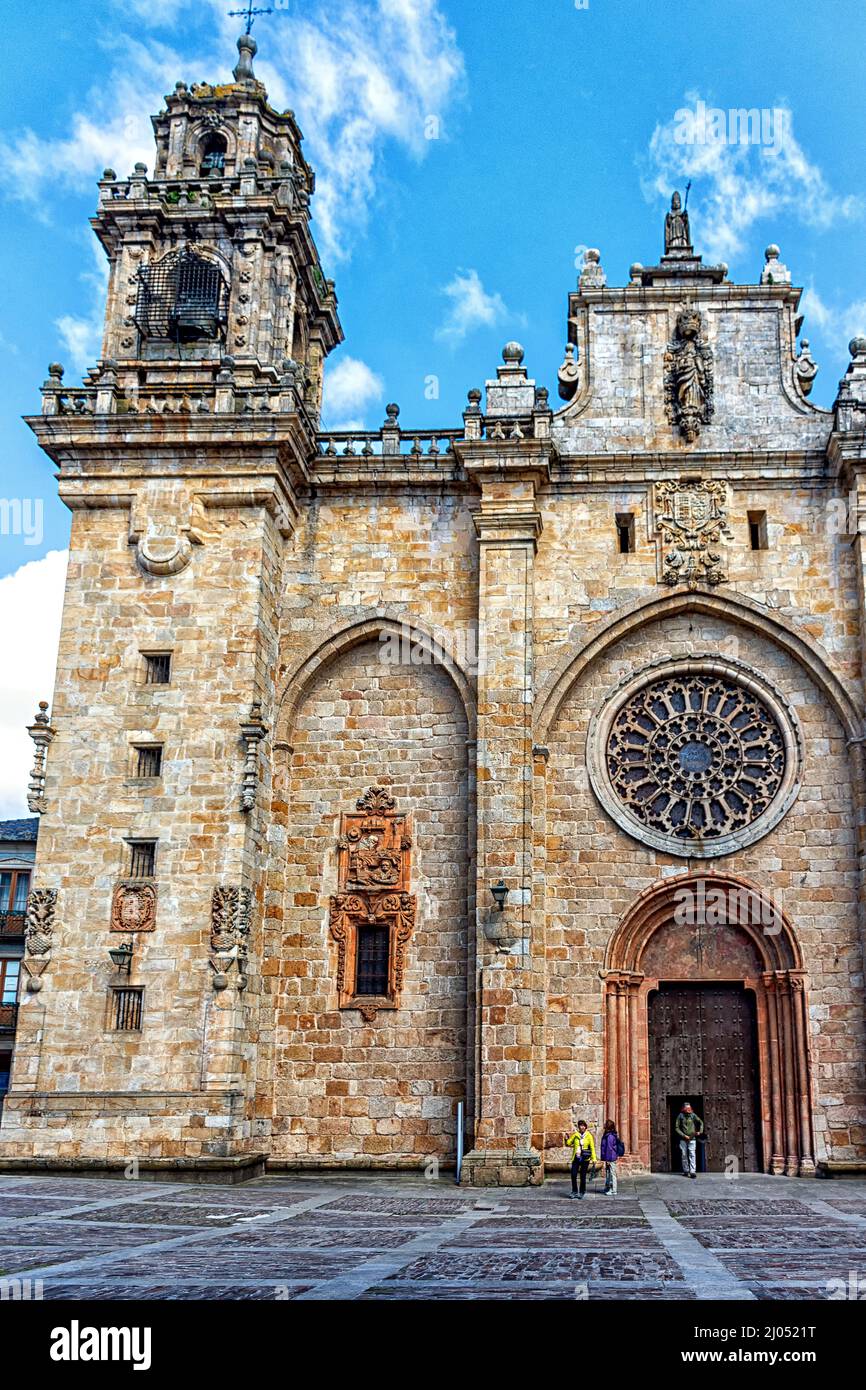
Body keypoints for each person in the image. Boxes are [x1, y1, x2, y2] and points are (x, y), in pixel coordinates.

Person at [565, 1119, 596, 1199]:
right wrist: (566, 1138)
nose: (581, 1127)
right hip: (576, 1157)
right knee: (573, 1174)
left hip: (585, 1158)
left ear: (585, 1127)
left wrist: (594, 1159)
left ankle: (582, 1191)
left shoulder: (589, 1136)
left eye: (583, 1126)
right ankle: (574, 1191)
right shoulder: (576, 1135)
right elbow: (568, 1143)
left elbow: (592, 1148)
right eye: (580, 1126)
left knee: (583, 1176)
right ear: (579, 1127)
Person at [675, 1102, 704, 1178]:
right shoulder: (680, 1116)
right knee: (684, 1155)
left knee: (692, 1154)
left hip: (692, 1138)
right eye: (687, 1108)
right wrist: (684, 1135)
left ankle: (692, 1171)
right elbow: (676, 1128)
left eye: (690, 1108)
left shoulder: (693, 1115)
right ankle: (686, 1170)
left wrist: (700, 1131)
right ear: (684, 1109)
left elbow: (701, 1122)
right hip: (683, 1139)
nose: (689, 1109)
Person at [600, 1118, 622, 1196]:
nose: (604, 1125)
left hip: (611, 1157)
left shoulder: (609, 1136)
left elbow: (609, 1148)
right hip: (610, 1157)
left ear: (608, 1126)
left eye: (605, 1124)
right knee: (609, 1173)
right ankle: (608, 1187)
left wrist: (608, 1159)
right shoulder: (609, 1135)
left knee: (612, 1173)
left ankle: (613, 1190)